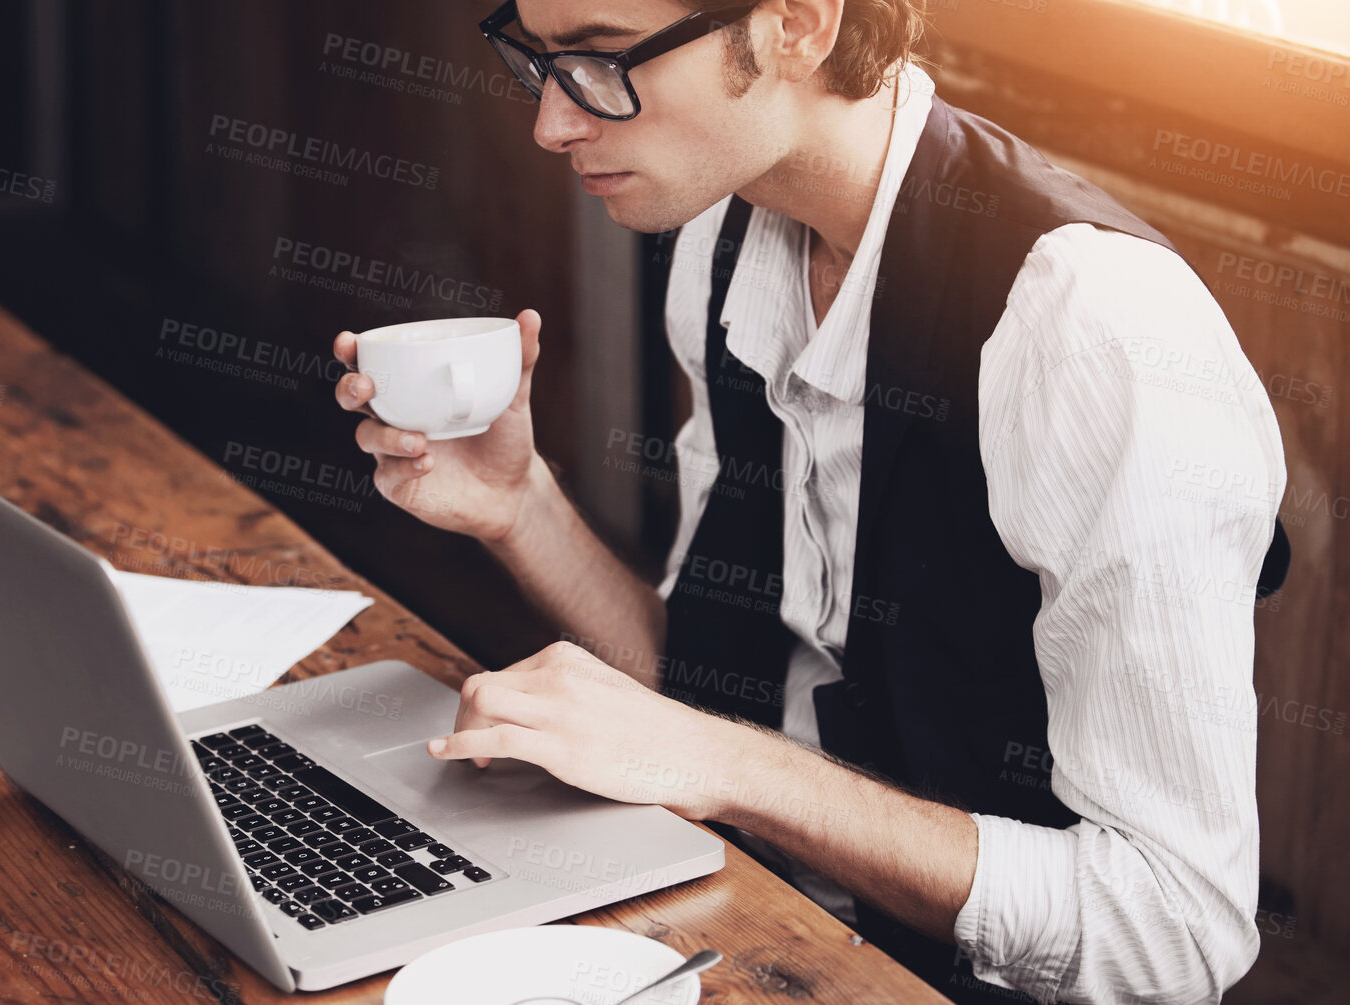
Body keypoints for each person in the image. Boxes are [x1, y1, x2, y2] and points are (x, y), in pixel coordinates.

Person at [329, 2, 1288, 1002]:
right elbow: (706, 696)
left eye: (604, 60)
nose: (553, 124)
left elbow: (1174, 930)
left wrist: (733, 767)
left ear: (796, 25)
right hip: (752, 915)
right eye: (539, 59)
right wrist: (519, 506)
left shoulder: (1093, 331)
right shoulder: (722, 239)